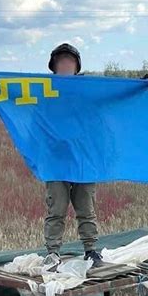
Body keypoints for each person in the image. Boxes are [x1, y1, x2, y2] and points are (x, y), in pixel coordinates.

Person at [43, 43, 103, 270]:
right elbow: (16, 97)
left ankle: (91, 250)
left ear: (77, 65)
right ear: (54, 66)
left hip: (83, 160)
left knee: (86, 208)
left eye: (70, 60)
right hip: (56, 160)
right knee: (56, 209)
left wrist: (143, 86)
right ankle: (52, 253)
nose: (66, 64)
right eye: (61, 61)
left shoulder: (87, 90)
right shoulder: (45, 91)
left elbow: (114, 96)